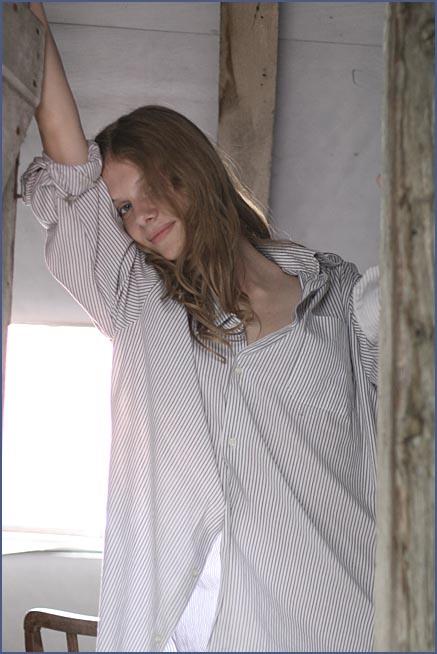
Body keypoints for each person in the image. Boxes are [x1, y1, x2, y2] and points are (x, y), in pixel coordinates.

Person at [23, 3, 380, 652]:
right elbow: (69, 168)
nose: (140, 215)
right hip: (221, 634)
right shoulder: (141, 304)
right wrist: (31, 24)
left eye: (155, 186)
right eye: (123, 207)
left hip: (347, 618)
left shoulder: (338, 298)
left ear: (194, 170)